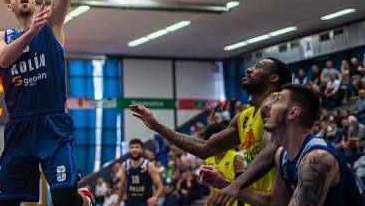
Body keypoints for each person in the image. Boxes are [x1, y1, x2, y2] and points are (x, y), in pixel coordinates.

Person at [0, 0, 93, 206]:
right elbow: (4, 59)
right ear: (10, 5)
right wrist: (31, 32)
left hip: (52, 122)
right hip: (19, 126)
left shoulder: (53, 26)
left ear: (34, 2)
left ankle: (81, 200)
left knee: (63, 201)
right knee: (4, 202)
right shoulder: (0, 36)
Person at [130, 57, 292, 205]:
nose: (249, 70)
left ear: (273, 78)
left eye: (258, 66)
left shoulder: (274, 102)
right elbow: (205, 148)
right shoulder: (243, 118)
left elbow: (272, 149)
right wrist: (156, 125)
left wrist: (235, 184)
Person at [200, 84, 363, 206]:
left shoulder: (317, 159)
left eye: (277, 100)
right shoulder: (281, 156)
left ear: (293, 112)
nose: (267, 106)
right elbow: (273, 202)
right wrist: (223, 183)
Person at [201, 123, 244, 206]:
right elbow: (212, 190)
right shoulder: (207, 160)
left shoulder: (237, 158)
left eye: (218, 141)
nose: (216, 144)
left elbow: (241, 187)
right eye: (212, 141)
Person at [116, 139, 164, 206]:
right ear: (129, 150)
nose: (134, 150)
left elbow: (160, 186)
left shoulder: (149, 165)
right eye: (132, 147)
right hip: (130, 201)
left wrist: (155, 197)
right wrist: (118, 201)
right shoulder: (125, 165)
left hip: (145, 201)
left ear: (142, 150)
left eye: (137, 147)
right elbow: (122, 185)